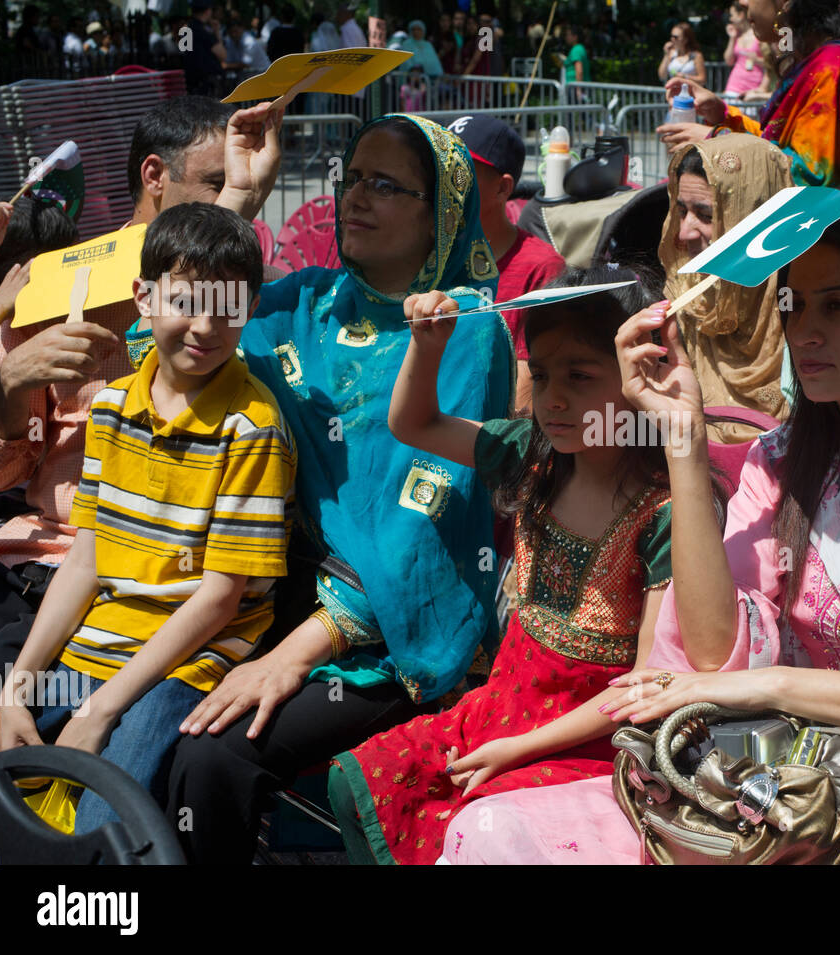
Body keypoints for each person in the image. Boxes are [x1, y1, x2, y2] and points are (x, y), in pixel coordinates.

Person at [439, 193, 840, 865]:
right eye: (795, 306)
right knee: (491, 832)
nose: (807, 331)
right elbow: (710, 659)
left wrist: (765, 685)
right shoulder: (781, 460)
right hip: (763, 790)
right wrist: (683, 437)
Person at [164, 114, 513, 865]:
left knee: (212, 754)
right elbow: (166, 334)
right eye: (351, 177)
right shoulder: (304, 307)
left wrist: (289, 657)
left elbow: (415, 527)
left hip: (391, 622)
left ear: (441, 213)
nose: (355, 196)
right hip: (262, 586)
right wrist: (240, 197)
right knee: (135, 700)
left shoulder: (468, 329)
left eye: (384, 184)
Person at [328, 272, 677, 864]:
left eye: (579, 376)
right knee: (357, 781)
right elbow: (413, 424)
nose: (554, 398)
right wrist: (427, 344)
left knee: (477, 823)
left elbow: (643, 689)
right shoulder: (529, 453)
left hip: (589, 743)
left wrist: (518, 749)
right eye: (540, 376)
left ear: (639, 376)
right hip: (498, 708)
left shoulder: (662, 513)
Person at [0, 202, 295, 835]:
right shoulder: (112, 407)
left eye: (227, 307)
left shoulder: (252, 428)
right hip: (99, 642)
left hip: (185, 664)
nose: (205, 327)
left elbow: (218, 599)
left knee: (108, 821)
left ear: (251, 308)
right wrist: (20, 685)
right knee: (0, 764)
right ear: (143, 297)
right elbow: (87, 555)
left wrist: (100, 711)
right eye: (185, 302)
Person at [0, 97, 280, 693]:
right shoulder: (49, 288)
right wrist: (8, 389)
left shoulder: (241, 302)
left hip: (162, 591)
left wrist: (242, 197)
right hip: (43, 564)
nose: (203, 322)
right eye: (216, 181)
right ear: (155, 175)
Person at [656, 0, 840, 273]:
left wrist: (716, 139)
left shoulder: (834, 64)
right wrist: (724, 115)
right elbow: (783, 149)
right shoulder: (827, 59)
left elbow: (808, 178)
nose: (743, 2)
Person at [662, 137, 792, 441]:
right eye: (681, 211)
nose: (684, 232)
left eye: (707, 216)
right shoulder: (684, 300)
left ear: (753, 215)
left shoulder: (800, 310)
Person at [448, 114, 565, 413]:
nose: (443, 182)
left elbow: (526, 394)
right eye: (437, 167)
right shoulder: (423, 255)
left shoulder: (541, 267)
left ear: (502, 188)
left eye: (459, 171)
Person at [181, 0, 227, 96]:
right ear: (208, 11)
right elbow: (222, 55)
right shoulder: (204, 31)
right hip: (207, 84)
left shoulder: (186, 30)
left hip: (191, 82)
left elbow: (184, 54)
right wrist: (217, 33)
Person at [722, 3, 762, 97]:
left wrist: (757, 60)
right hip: (733, 86)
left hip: (753, 89)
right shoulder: (736, 35)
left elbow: (771, 63)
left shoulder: (759, 35)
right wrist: (732, 38)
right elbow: (729, 61)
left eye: (732, 15)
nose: (730, 19)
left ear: (741, 15)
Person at [659, 21, 706, 87]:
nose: (672, 39)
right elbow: (662, 76)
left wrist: (685, 77)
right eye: (671, 36)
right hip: (674, 94)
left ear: (686, 39)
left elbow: (703, 79)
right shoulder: (671, 54)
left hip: (690, 94)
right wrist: (666, 54)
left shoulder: (696, 56)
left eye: (676, 37)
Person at [562, 24, 591, 103]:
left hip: (575, 87)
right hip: (578, 86)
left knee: (576, 112)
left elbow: (579, 70)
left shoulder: (576, 50)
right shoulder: (579, 48)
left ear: (575, 37)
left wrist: (578, 89)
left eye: (568, 35)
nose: (566, 37)